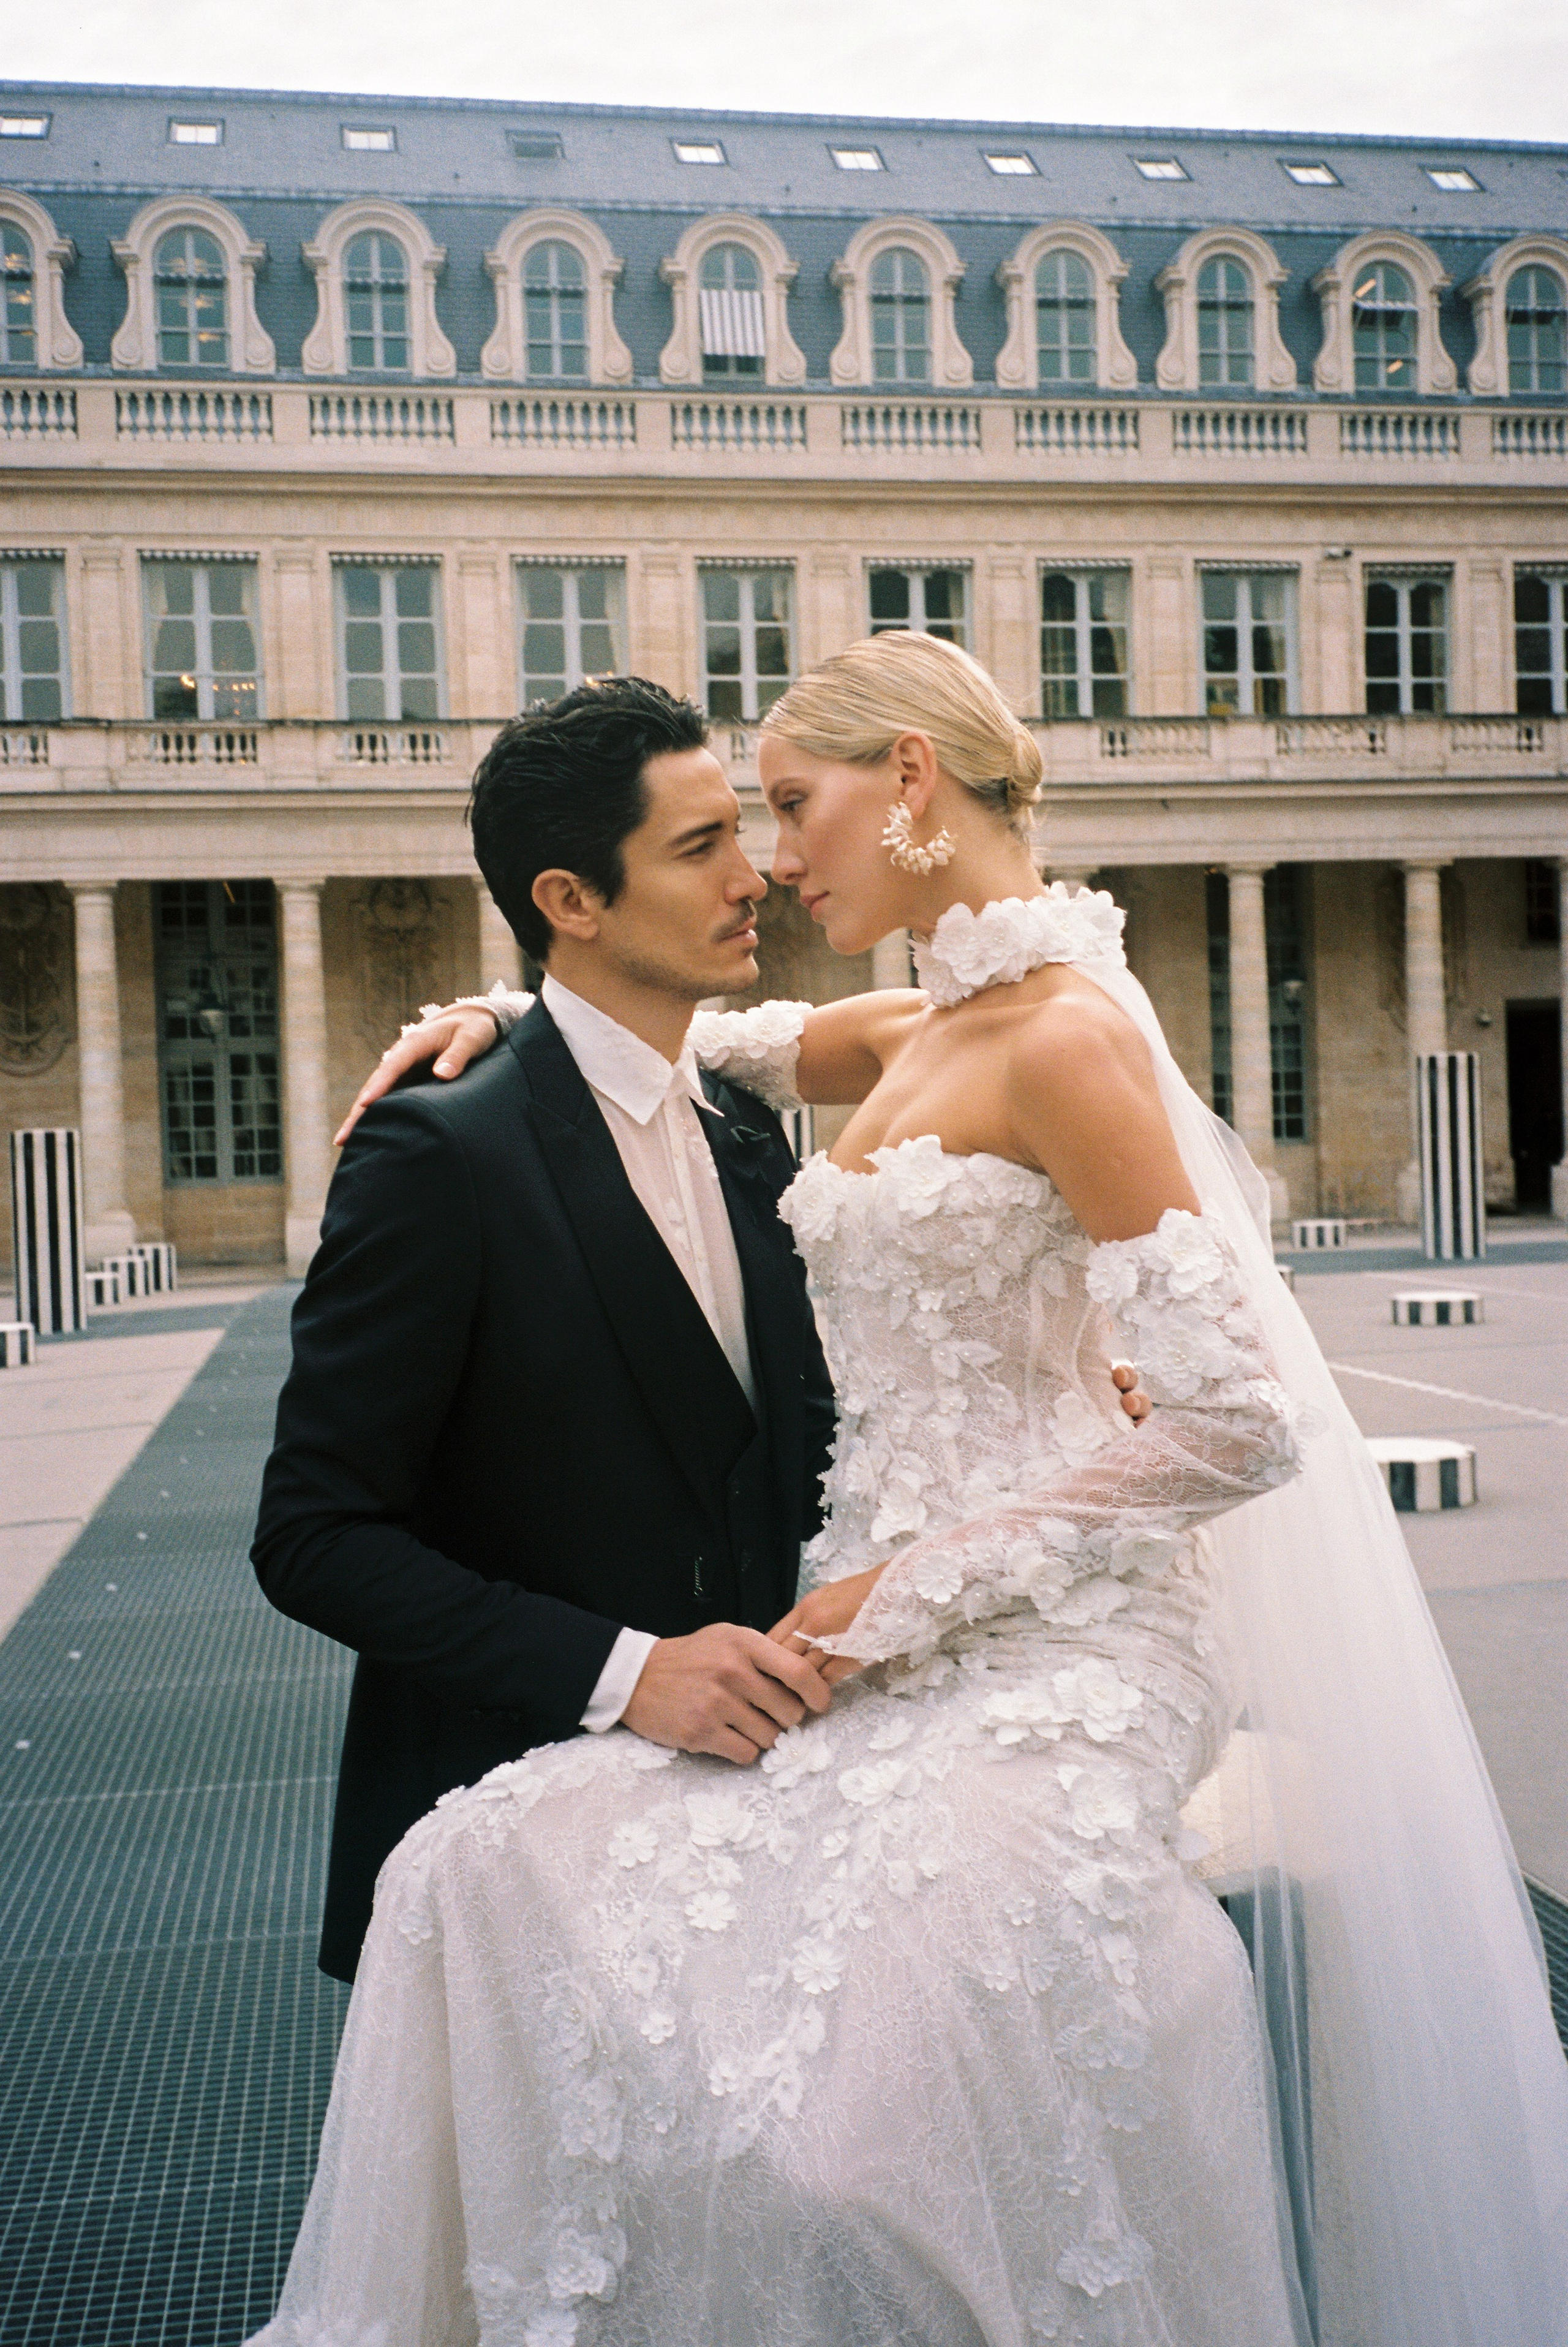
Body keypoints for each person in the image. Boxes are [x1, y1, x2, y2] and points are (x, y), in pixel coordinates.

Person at [254, 636, 1568, 2347]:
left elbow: (1240, 1422)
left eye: (787, 809)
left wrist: (907, 1592)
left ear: (911, 782)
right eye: (726, 834)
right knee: (489, 1875)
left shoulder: (1071, 1037)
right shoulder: (915, 1024)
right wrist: (509, 1010)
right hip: (866, 1637)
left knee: (860, 2123)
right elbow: (691, 1039)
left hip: (1037, 1634)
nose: (773, 863)